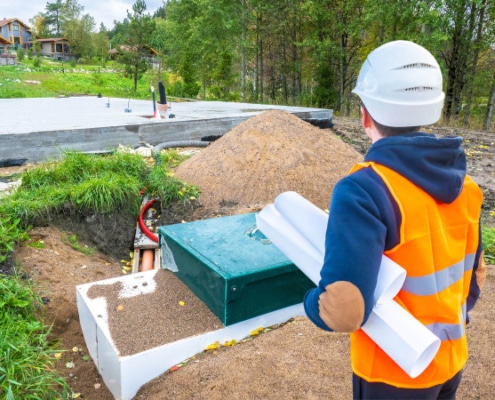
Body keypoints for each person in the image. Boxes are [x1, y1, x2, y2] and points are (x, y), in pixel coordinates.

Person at [303, 40, 486, 399]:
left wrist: (309, 301)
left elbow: (344, 310)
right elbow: (475, 277)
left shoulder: (364, 190)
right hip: (449, 360)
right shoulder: (468, 188)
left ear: (365, 114)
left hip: (393, 374)